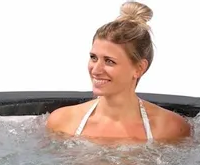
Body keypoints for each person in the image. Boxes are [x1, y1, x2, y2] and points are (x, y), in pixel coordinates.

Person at [46, 2, 191, 143]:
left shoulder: (170, 129)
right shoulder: (62, 122)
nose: (96, 70)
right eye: (93, 58)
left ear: (139, 68)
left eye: (109, 61)